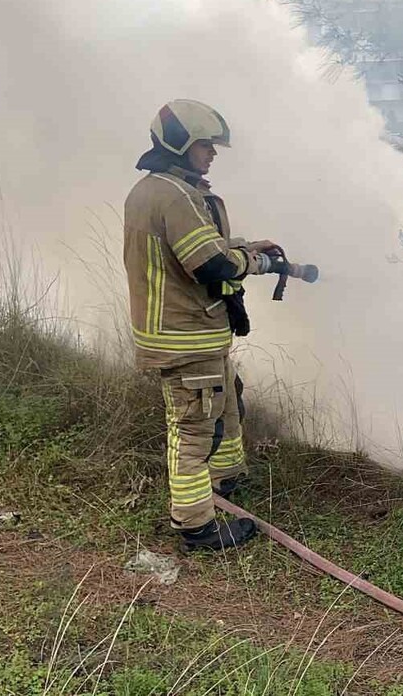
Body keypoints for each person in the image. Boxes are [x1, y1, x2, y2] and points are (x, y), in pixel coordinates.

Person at [123, 99, 280, 552]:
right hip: (185, 336)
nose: (212, 153)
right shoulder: (176, 196)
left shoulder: (157, 191)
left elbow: (193, 248)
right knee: (194, 429)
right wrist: (259, 261)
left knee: (227, 406)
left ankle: (225, 482)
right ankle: (195, 524)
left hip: (193, 334)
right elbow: (210, 263)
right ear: (180, 144)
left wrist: (245, 244)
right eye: (206, 145)